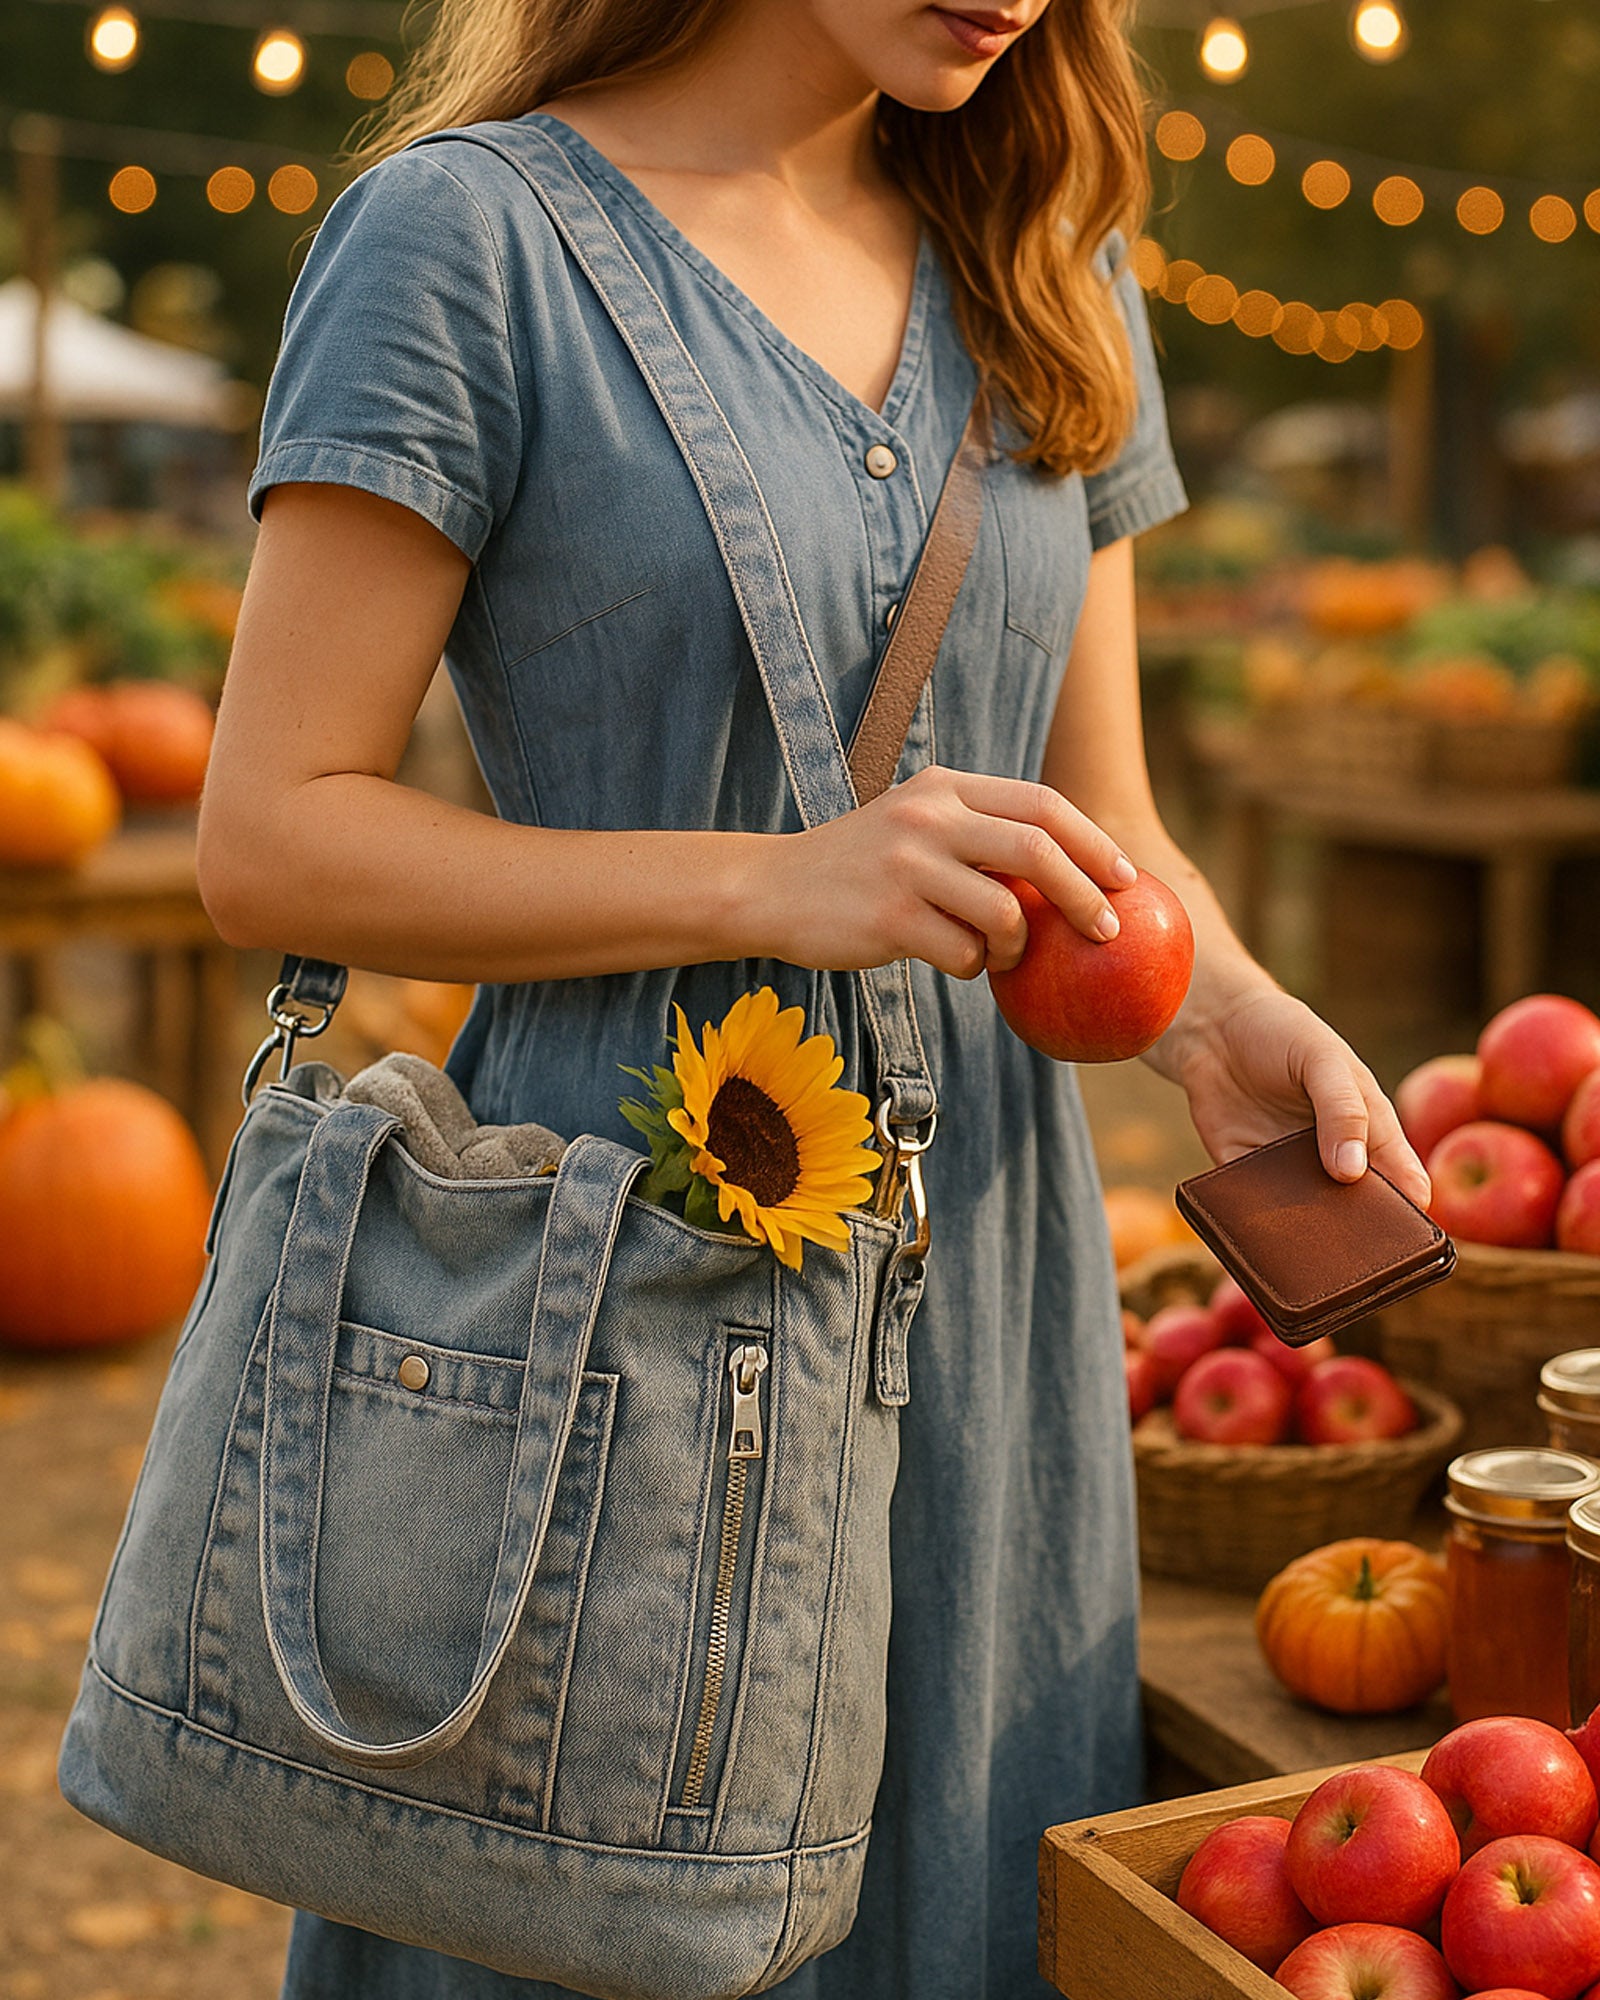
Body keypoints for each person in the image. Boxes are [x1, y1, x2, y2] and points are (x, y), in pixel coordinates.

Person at [196, 0, 1431, 1992]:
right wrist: (780, 884)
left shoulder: (1047, 244)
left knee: (957, 1885)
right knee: (590, 1892)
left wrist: (1216, 1014)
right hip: (612, 1248)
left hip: (988, 1292)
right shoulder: (464, 241)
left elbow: (1103, 821)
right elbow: (271, 835)